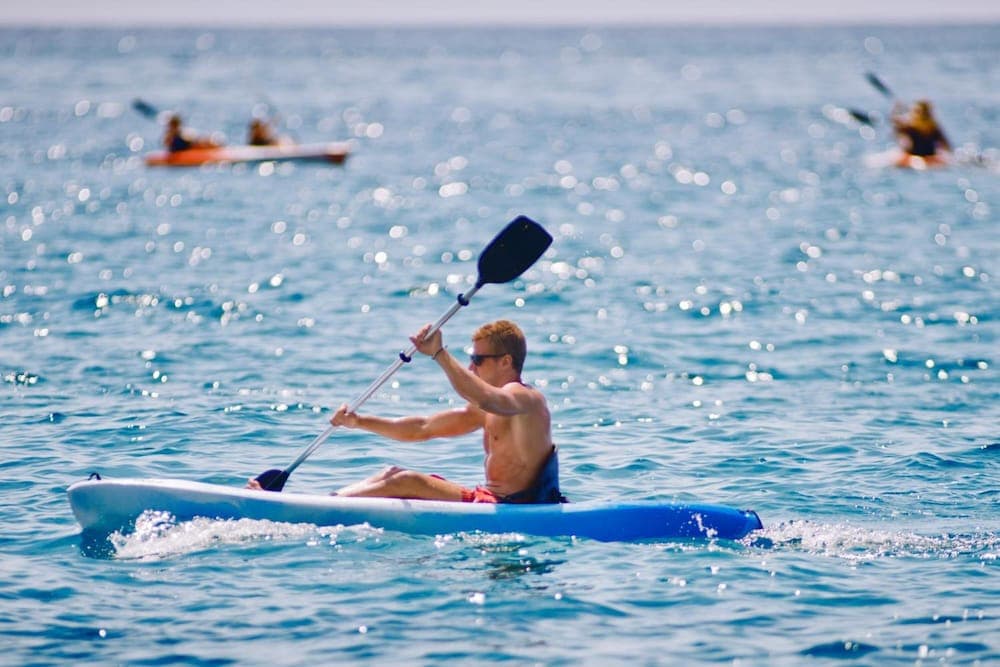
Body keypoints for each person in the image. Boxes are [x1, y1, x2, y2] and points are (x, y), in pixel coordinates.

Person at [248, 319, 565, 504]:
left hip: (513, 505)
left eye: (478, 360)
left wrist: (439, 354)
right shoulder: (487, 408)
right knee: (392, 474)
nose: (471, 367)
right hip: (487, 497)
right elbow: (422, 428)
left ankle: (311, 508)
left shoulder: (525, 400)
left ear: (506, 362)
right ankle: (324, 503)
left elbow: (486, 397)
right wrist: (357, 421)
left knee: (408, 480)